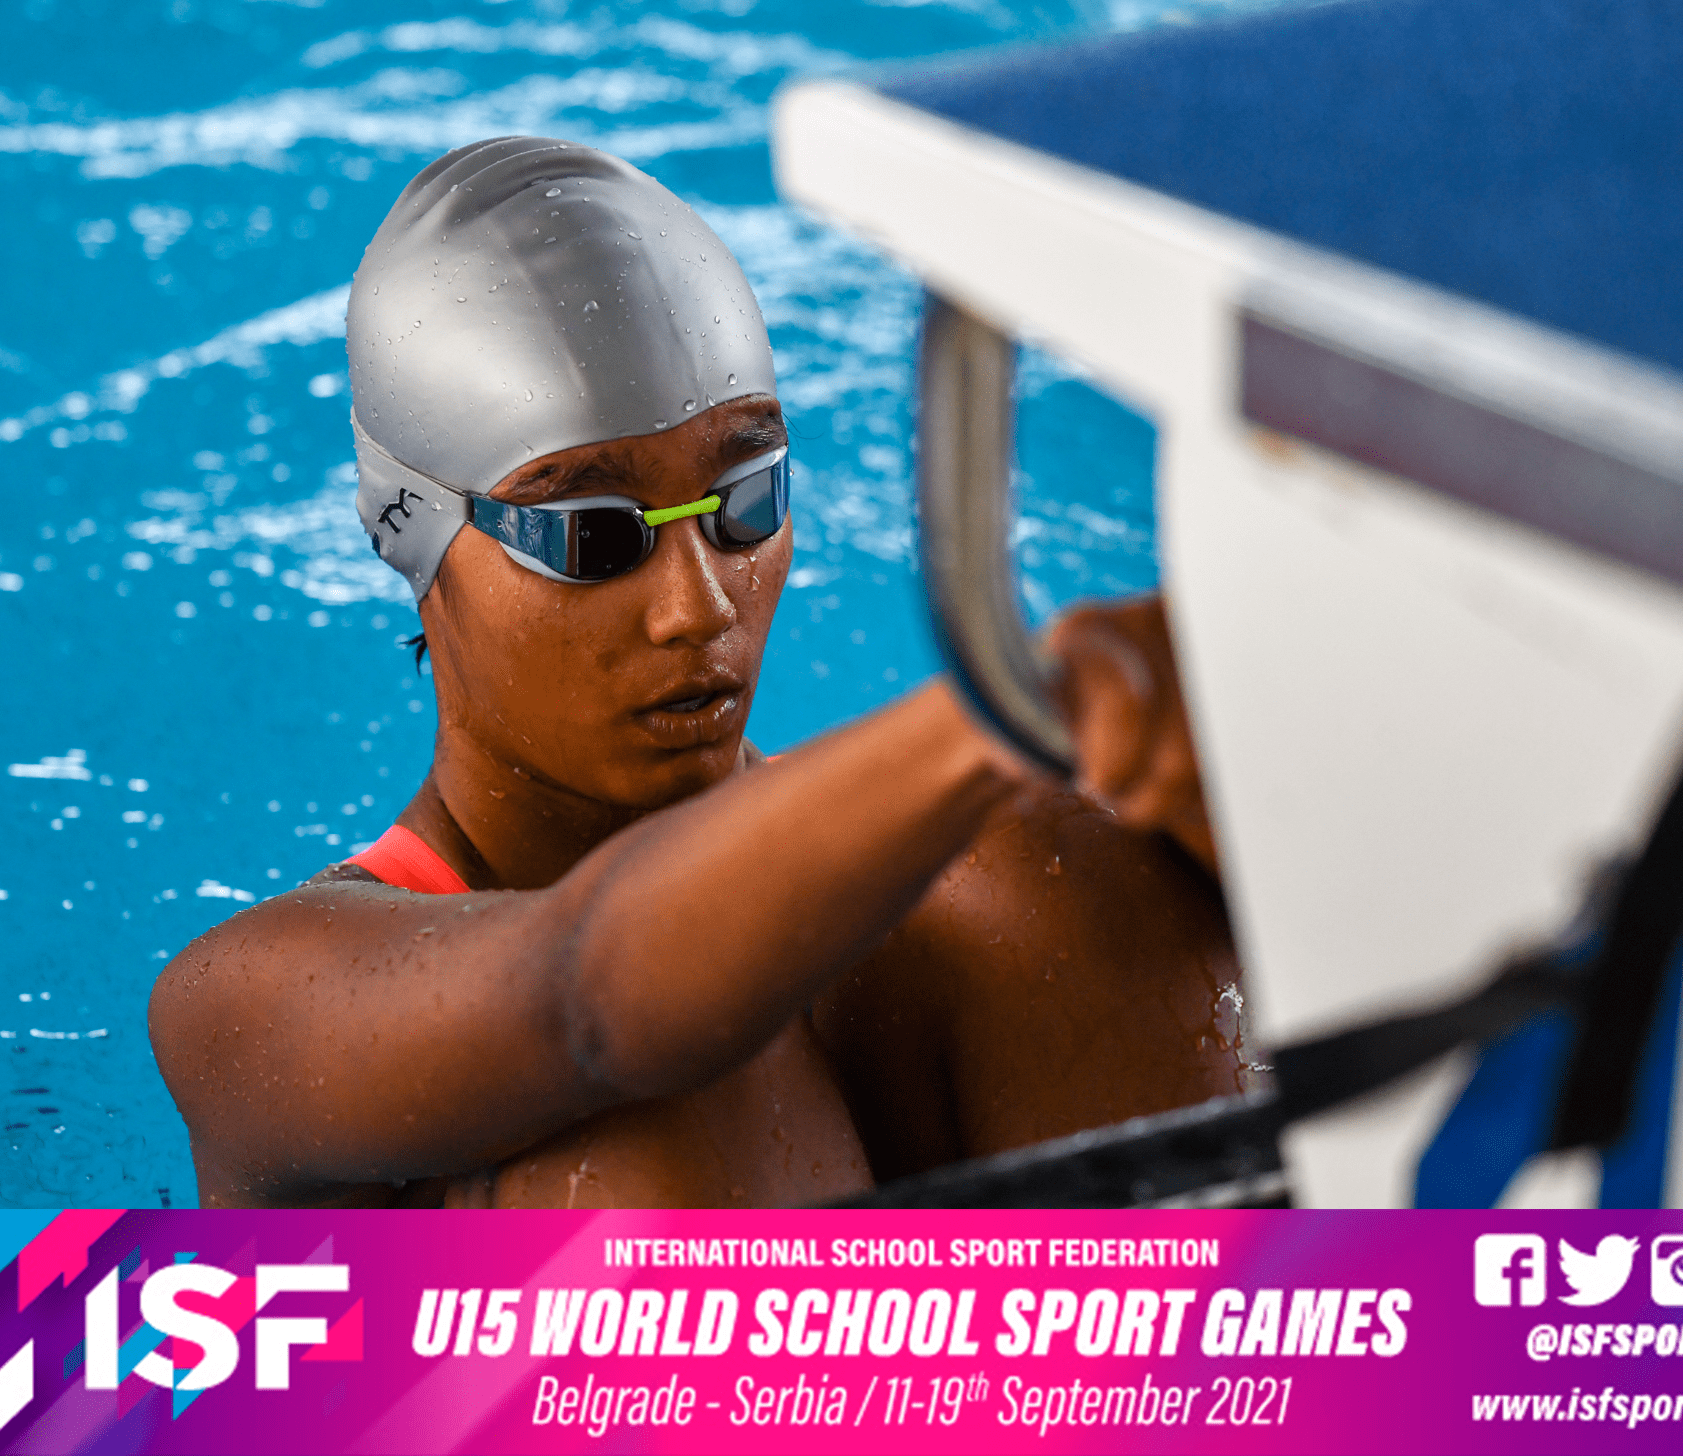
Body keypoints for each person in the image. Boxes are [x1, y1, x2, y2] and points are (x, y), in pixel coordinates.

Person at [148, 136, 1248, 1209]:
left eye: (744, 502)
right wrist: (1004, 713)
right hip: (543, 1306)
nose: (699, 605)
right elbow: (590, 1001)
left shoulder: (963, 908)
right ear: (417, 539)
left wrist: (1231, 844)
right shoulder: (251, 1004)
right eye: (594, 536)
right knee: (660, 1088)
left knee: (1071, 877)